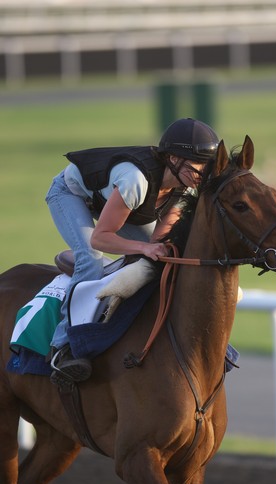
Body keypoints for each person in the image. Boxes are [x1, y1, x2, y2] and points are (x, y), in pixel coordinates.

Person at [45, 118, 219, 383]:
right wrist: (142, 247)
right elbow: (101, 238)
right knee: (91, 260)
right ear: (173, 158)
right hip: (70, 195)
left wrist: (153, 250)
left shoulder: (183, 184)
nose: (203, 172)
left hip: (111, 200)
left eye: (207, 165)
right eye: (198, 164)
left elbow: (161, 242)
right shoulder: (135, 180)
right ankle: (62, 347)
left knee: (162, 256)